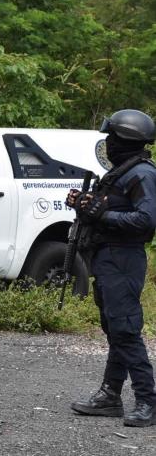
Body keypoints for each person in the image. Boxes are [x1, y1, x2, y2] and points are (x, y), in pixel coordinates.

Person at [69, 109, 156, 427]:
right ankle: (110, 396)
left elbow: (146, 221)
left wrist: (101, 215)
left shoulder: (142, 174)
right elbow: (108, 208)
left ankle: (147, 400)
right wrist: (86, 204)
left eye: (112, 138)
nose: (108, 143)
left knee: (126, 331)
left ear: (126, 140)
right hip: (107, 259)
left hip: (124, 259)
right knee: (115, 331)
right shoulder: (121, 172)